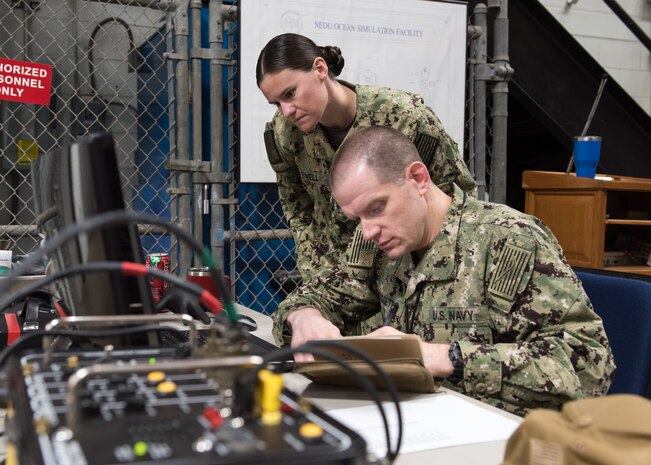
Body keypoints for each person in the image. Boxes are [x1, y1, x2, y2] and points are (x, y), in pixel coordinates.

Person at [272, 126, 615, 416]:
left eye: (377, 208)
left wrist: (442, 357)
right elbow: (318, 295)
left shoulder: (506, 240)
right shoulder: (378, 244)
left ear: (419, 178)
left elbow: (586, 367)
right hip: (420, 420)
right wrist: (305, 317)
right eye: (357, 218)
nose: (368, 230)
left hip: (503, 436)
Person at [256, 33, 476, 281]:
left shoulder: (404, 117)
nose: (287, 111)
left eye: (290, 94)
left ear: (319, 68)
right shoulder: (284, 132)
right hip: (331, 275)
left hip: (398, 273)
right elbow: (295, 206)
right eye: (276, 103)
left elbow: (454, 196)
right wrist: (314, 269)